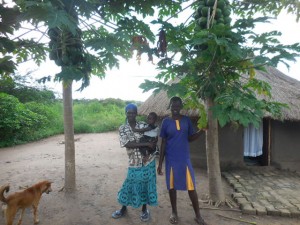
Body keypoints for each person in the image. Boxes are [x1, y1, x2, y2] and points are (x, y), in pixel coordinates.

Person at [157, 96, 207, 225]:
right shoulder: (165, 122)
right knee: (172, 187)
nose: (175, 108)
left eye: (178, 105)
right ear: (170, 106)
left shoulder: (186, 121)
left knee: (191, 188)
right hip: (171, 159)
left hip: (184, 159)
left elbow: (189, 138)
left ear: (181, 107)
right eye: (173, 105)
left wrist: (201, 131)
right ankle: (174, 212)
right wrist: (160, 164)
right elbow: (163, 143)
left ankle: (198, 215)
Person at [112, 103, 158, 222]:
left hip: (148, 161)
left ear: (136, 113)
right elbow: (127, 144)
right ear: (126, 113)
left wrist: (151, 145)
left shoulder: (143, 125)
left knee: (146, 185)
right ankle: (123, 208)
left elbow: (153, 135)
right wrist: (145, 144)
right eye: (129, 112)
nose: (131, 115)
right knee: (130, 183)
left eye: (133, 112)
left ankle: (144, 209)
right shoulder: (123, 128)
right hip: (134, 161)